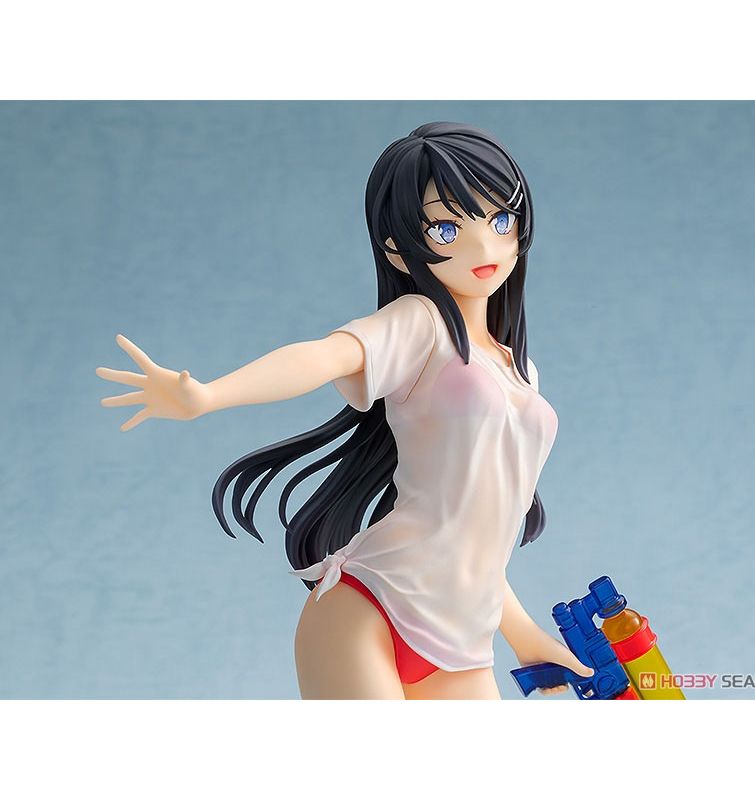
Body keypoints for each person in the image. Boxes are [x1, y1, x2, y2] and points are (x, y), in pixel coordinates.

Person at [96, 122, 593, 699]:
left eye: (500, 220)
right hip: (370, 607)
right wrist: (210, 394)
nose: (484, 247)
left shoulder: (520, 371)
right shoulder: (421, 325)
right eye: (447, 228)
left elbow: (478, 529)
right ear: (397, 248)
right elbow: (324, 355)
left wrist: (525, 637)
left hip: (463, 639)